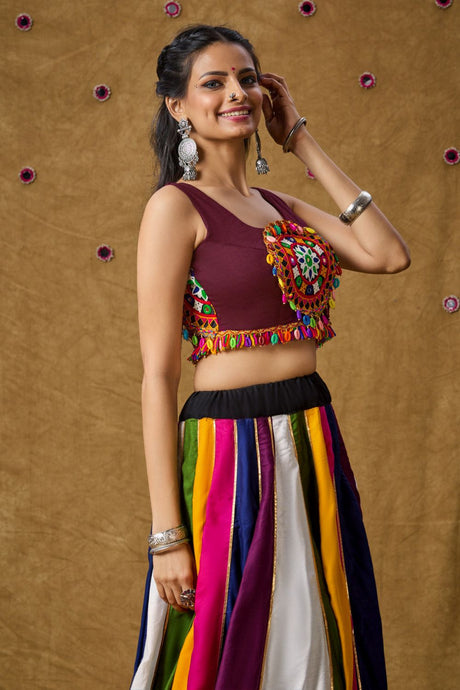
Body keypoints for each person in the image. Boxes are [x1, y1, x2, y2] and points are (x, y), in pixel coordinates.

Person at [130, 24, 410, 690]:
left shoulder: (280, 207)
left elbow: (387, 255)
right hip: (227, 448)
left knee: (316, 629)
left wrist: (300, 140)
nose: (237, 93)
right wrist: (168, 535)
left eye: (248, 79)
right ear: (177, 105)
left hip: (312, 432)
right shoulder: (175, 208)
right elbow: (159, 376)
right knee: (227, 637)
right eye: (215, 82)